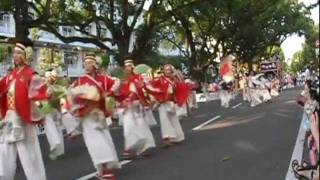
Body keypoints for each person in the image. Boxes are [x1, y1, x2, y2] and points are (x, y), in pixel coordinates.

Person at [0, 43, 50, 180]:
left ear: (25, 56)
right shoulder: (10, 75)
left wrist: (43, 110)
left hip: (24, 117)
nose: (16, 56)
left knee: (29, 152)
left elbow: (41, 93)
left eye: (19, 53)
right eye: (14, 53)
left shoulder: (31, 74)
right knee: (4, 147)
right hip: (9, 117)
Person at [68, 54, 120, 180]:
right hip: (87, 115)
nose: (87, 65)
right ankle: (103, 169)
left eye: (90, 63)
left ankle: (105, 168)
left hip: (100, 114)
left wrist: (109, 93)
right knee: (94, 141)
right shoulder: (80, 81)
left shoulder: (104, 79)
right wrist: (77, 105)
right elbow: (70, 94)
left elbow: (117, 82)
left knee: (103, 138)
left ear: (95, 65)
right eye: (85, 63)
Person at [115, 59, 156, 160]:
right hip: (127, 107)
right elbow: (118, 93)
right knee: (128, 128)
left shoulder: (140, 78)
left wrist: (151, 97)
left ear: (133, 67)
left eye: (130, 66)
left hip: (138, 106)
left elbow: (148, 89)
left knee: (142, 126)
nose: (128, 68)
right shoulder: (121, 80)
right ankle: (129, 148)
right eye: (126, 66)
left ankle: (144, 148)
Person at [146, 64, 189, 147]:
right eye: (166, 70)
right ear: (164, 71)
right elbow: (151, 85)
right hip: (163, 103)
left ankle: (177, 137)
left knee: (173, 120)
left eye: (169, 70)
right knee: (164, 121)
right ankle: (167, 139)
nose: (168, 71)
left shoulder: (174, 80)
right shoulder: (160, 79)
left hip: (171, 103)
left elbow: (180, 87)